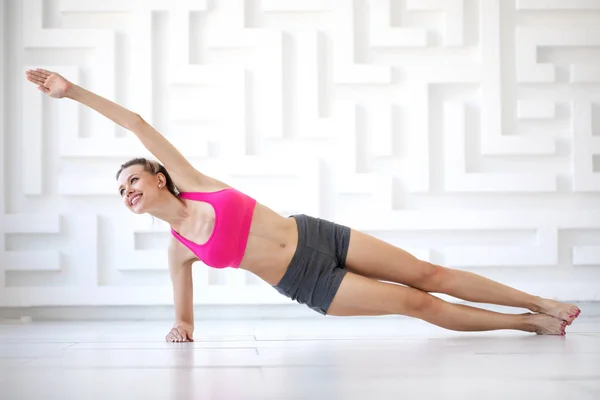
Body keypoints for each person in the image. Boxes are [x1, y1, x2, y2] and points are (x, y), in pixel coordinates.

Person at [26, 68, 581, 342]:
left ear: (158, 176)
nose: (128, 191)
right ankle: (528, 325)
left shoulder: (193, 180)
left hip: (317, 234)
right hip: (309, 282)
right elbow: (185, 315)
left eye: (132, 179)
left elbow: (137, 123)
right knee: (419, 304)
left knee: (427, 273)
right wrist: (180, 327)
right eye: (121, 191)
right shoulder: (179, 250)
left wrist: (72, 93)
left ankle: (543, 302)